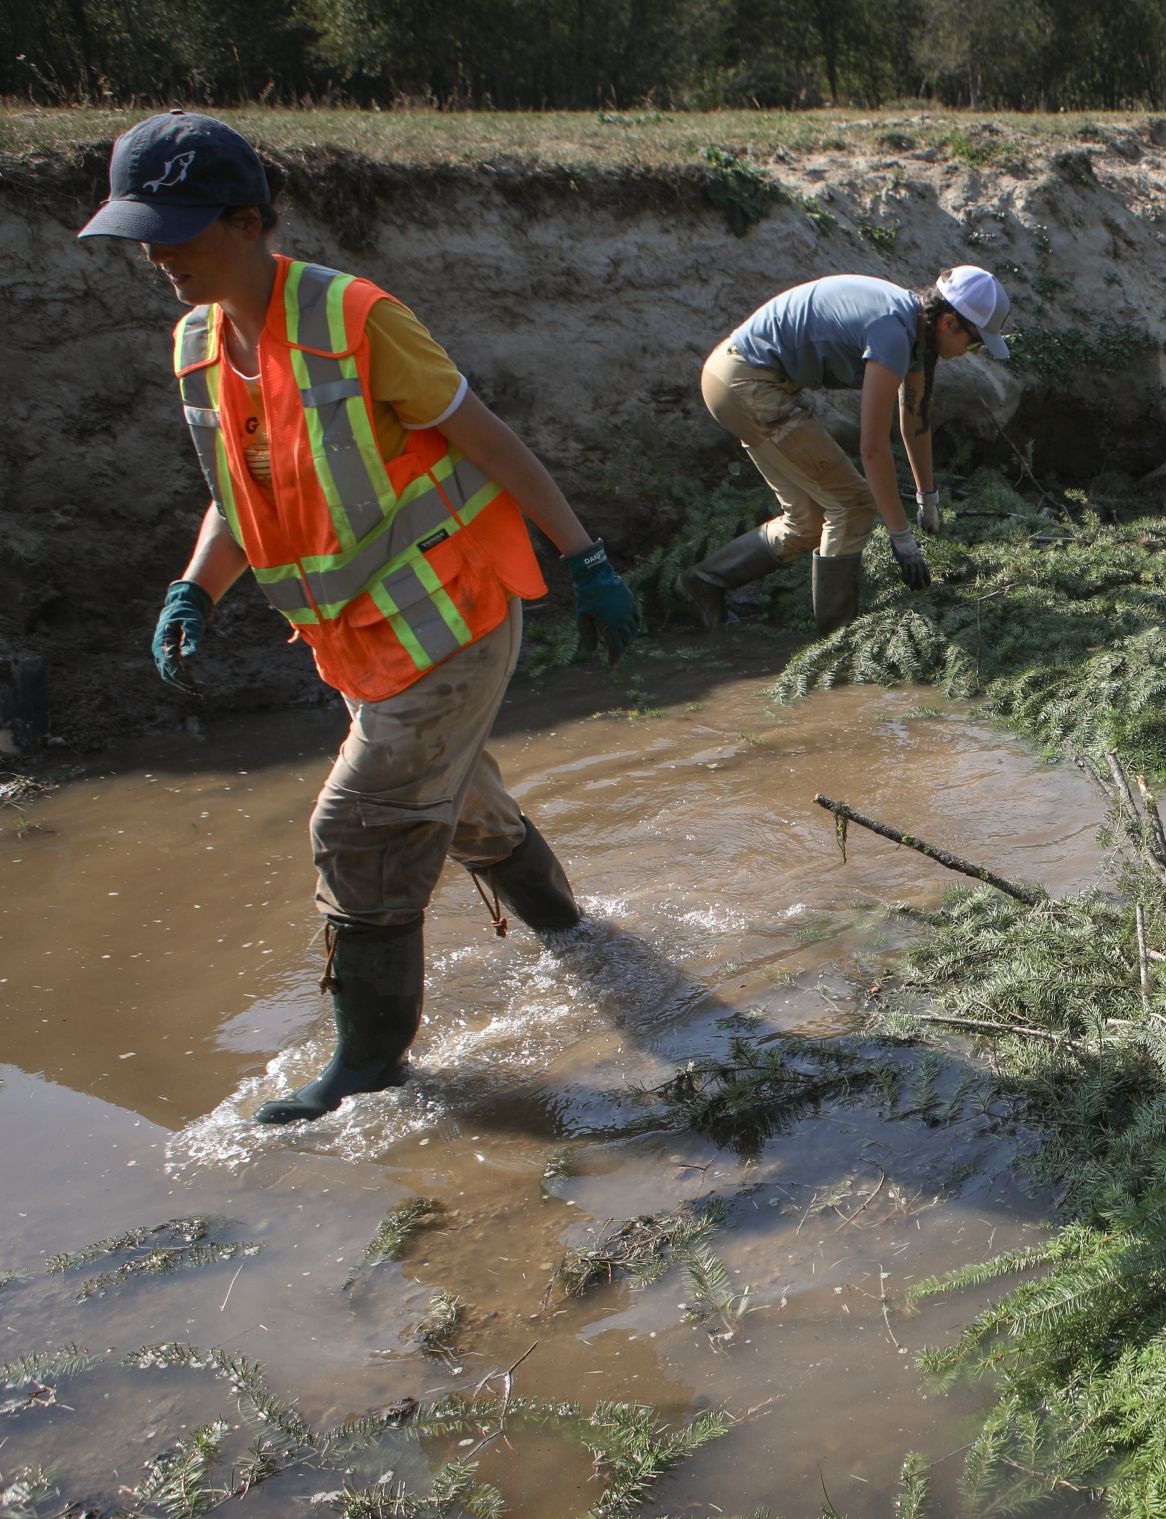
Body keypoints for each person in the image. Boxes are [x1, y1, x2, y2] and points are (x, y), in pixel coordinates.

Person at [84, 111, 641, 1124]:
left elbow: (488, 440)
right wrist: (192, 589)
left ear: (247, 222)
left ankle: (371, 1065)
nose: (155, 255)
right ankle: (582, 941)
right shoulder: (199, 342)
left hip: (452, 624)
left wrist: (584, 554)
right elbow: (238, 489)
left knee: (360, 826)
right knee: (467, 812)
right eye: (142, 235)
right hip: (359, 643)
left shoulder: (355, 320)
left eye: (173, 231)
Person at [681, 266, 1014, 631]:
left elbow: (915, 421)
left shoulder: (917, 328)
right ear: (950, 323)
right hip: (748, 383)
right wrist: (901, 538)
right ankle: (835, 647)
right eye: (976, 342)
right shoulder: (893, 332)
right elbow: (872, 448)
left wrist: (927, 497)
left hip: (734, 377)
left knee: (807, 522)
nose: (972, 352)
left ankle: (704, 582)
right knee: (852, 504)